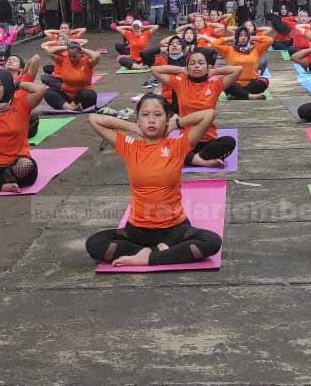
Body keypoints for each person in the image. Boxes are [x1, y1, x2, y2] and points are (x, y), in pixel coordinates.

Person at [85, 98, 222, 267]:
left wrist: (176, 124)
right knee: (94, 244)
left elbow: (209, 114)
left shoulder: (178, 145)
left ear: (166, 118)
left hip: (174, 228)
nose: (151, 120)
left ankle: (149, 256)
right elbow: (94, 118)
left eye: (158, 115)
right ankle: (158, 252)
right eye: (145, 115)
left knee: (211, 241)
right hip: (137, 230)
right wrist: (133, 127)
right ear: (138, 119)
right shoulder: (129, 146)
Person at [151, 48, 241, 167]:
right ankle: (200, 161)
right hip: (187, 140)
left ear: (207, 67)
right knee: (158, 147)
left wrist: (214, 72)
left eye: (201, 63)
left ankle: (191, 158)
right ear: (187, 67)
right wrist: (183, 69)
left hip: (208, 140)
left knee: (229, 141)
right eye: (192, 63)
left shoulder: (215, 84)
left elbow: (238, 69)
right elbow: (155, 69)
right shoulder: (180, 82)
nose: (196, 66)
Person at [213, 27, 270, 100]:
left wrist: (252, 37)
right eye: (240, 35)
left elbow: (269, 40)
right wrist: (230, 38)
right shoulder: (229, 50)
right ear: (236, 37)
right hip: (234, 83)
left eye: (245, 35)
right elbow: (215, 44)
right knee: (224, 82)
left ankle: (238, 95)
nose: (243, 38)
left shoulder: (256, 49)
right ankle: (249, 96)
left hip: (252, 83)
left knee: (264, 81)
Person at [45, 41, 100, 111]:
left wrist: (81, 48)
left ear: (80, 53)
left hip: (82, 95)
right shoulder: (64, 59)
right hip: (67, 94)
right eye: (70, 56)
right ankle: (70, 108)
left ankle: (70, 106)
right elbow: (49, 52)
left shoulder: (87, 61)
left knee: (89, 95)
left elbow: (97, 56)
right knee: (48, 92)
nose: (71, 59)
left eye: (74, 56)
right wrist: (67, 47)